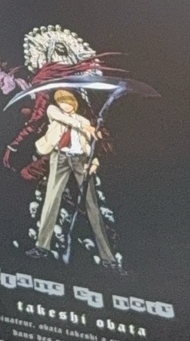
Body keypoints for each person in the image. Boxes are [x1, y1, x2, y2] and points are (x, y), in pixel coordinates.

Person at [19, 90, 118, 267]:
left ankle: (108, 257)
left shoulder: (84, 121)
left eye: (68, 102)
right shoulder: (53, 112)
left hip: (80, 159)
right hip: (60, 157)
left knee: (92, 205)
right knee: (51, 199)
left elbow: (90, 145)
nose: (65, 105)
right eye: (62, 102)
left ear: (74, 103)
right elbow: (64, 119)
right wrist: (85, 127)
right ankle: (42, 246)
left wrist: (94, 160)